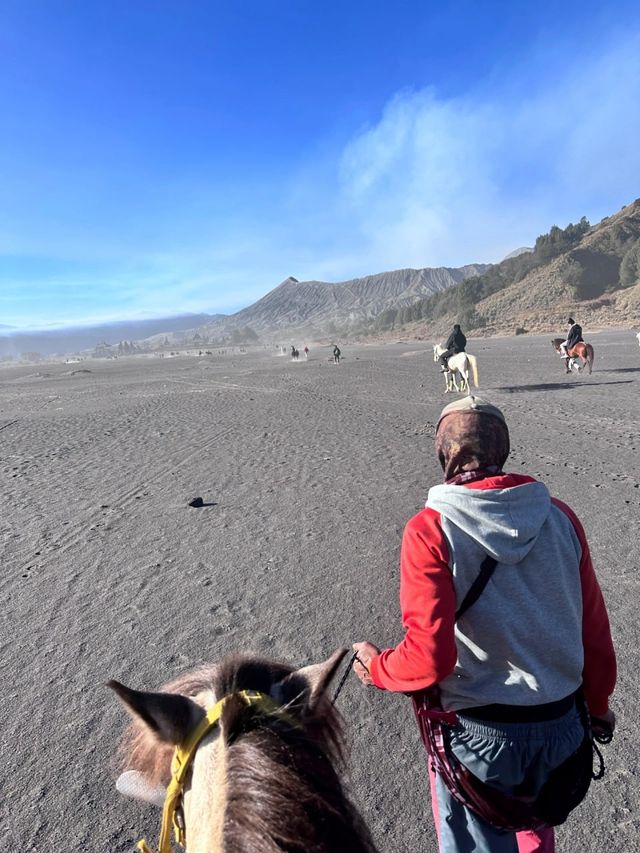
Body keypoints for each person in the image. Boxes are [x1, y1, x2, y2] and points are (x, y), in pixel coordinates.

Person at [353, 395, 616, 853]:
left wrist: (376, 667)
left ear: (444, 452)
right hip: (561, 727)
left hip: (480, 739)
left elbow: (429, 658)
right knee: (536, 829)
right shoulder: (561, 518)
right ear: (503, 448)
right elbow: (593, 633)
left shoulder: (429, 529)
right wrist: (596, 705)